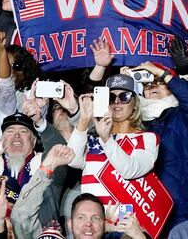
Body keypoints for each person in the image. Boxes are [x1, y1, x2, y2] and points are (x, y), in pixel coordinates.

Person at [121, 58, 188, 228]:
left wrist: (162, 73)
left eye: (158, 82)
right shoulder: (133, 122)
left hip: (179, 208)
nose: (152, 86)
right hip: (143, 207)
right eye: (147, 84)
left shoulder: (182, 115)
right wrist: (124, 86)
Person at [67, 74, 159, 204]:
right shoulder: (95, 136)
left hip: (125, 219)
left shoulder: (147, 138)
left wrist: (106, 139)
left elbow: (130, 170)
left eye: (124, 97)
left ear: (135, 104)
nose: (117, 102)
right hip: (92, 218)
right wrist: (84, 120)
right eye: (111, 97)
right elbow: (72, 160)